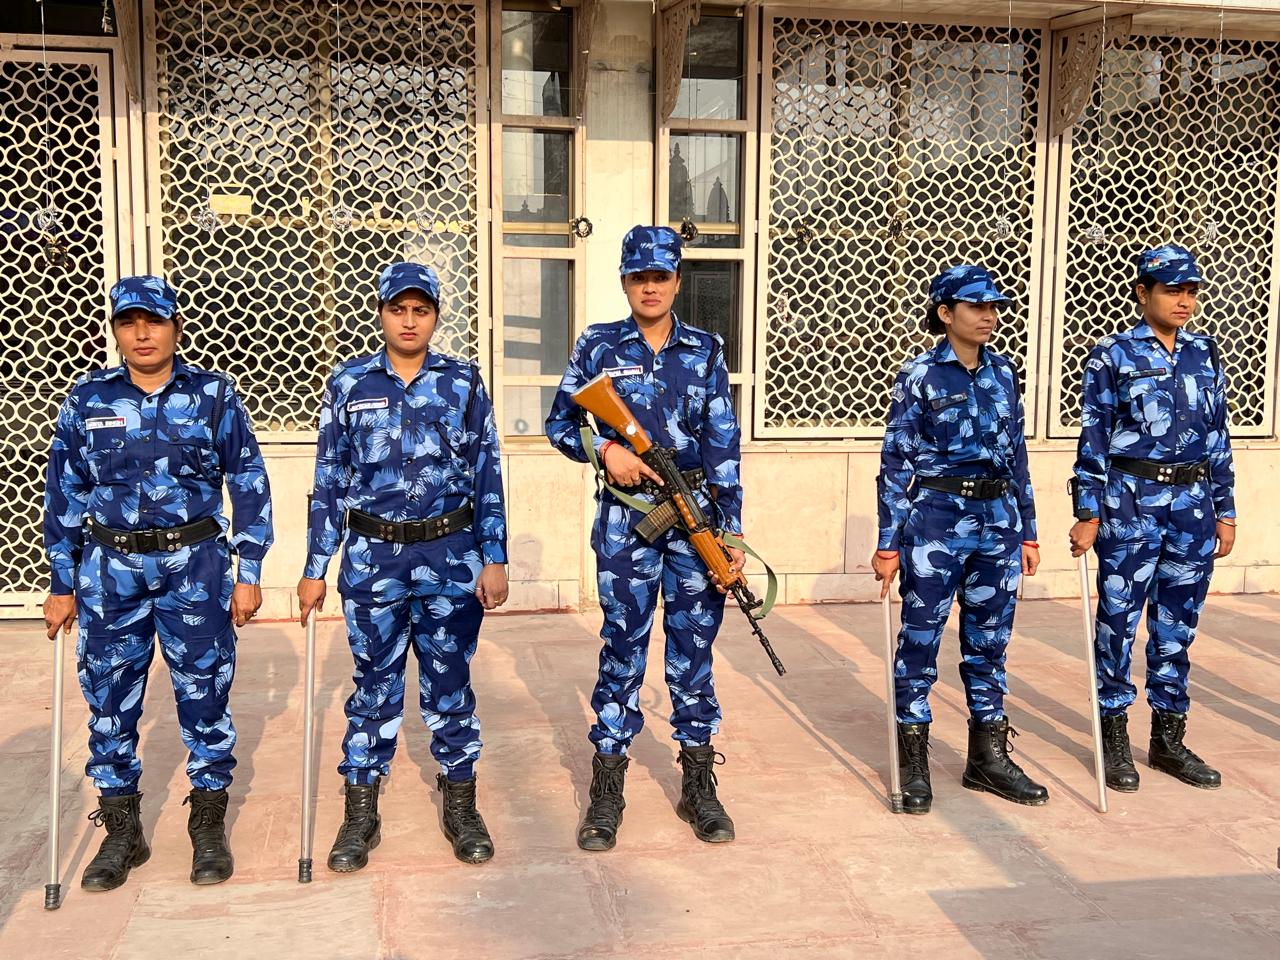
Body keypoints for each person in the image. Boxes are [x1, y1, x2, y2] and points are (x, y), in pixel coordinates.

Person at [43, 274, 273, 889]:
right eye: (128, 322)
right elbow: (64, 494)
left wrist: (249, 571)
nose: (142, 333)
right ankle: (122, 832)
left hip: (194, 567)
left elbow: (249, 483)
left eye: (154, 321)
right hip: (109, 571)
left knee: (205, 697)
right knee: (109, 700)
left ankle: (207, 825)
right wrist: (61, 582)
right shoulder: (87, 398)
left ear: (176, 326)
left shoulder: (213, 395)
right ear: (116, 330)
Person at [298, 262, 508, 871]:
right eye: (398, 310)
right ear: (381, 313)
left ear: (436, 316)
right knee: (373, 684)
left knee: (450, 682)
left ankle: (460, 801)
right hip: (373, 558)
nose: (409, 321)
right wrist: (315, 565)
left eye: (421, 310)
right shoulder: (349, 383)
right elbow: (329, 478)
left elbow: (488, 471)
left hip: (449, 553)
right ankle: (360, 810)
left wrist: (494, 556)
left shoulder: (463, 382)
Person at [545, 225, 744, 851]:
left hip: (695, 518)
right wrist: (606, 450)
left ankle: (698, 783)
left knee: (693, 653)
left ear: (677, 281)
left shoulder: (705, 350)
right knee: (622, 647)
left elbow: (724, 444)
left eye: (660, 276)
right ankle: (608, 786)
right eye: (639, 277)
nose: (650, 287)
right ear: (625, 281)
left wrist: (732, 531)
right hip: (626, 523)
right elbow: (560, 424)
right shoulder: (598, 345)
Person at [872, 265, 1048, 815]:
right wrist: (888, 543)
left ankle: (987, 758)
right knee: (920, 642)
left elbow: (1017, 455)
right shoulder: (920, 375)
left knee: (989, 643)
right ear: (946, 313)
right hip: (937, 519)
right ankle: (914, 762)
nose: (988, 316)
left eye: (993, 307)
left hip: (998, 520)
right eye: (976, 306)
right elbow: (896, 462)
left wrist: (1029, 529)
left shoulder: (1004, 372)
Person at [1068, 243, 1234, 792]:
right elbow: (1093, 437)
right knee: (1118, 622)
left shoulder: (1204, 353)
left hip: (1192, 505)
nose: (1184, 301)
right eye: (1172, 291)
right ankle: (1114, 736)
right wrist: (1087, 510)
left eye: (1191, 292)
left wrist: (1226, 510)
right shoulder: (1112, 355)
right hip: (1130, 502)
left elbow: (1217, 436)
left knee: (1176, 626)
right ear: (1143, 293)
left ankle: (1168, 740)